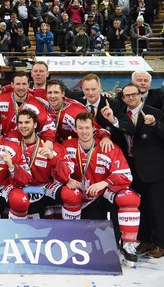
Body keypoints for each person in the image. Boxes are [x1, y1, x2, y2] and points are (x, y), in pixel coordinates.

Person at [62, 112, 140, 263]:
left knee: (129, 197)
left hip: (102, 194)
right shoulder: (67, 146)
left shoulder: (108, 146)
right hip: (80, 198)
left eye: (87, 128)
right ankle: (71, 239)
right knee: (69, 194)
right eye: (80, 128)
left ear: (93, 129)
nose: (84, 132)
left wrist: (105, 182)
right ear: (75, 130)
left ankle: (128, 244)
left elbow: (125, 175)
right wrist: (67, 178)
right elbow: (57, 169)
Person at [109, 83, 164, 258]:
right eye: (127, 95)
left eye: (134, 94)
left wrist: (155, 124)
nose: (131, 98)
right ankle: (145, 239)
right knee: (142, 207)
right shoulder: (122, 115)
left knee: (157, 208)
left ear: (141, 95)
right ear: (123, 98)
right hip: (133, 169)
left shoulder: (153, 112)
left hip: (154, 169)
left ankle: (161, 243)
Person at [0, 71, 56, 145]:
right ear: (12, 85)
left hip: (27, 147)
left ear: (28, 85)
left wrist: (49, 141)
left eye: (24, 84)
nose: (21, 87)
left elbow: (49, 125)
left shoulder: (37, 105)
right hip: (1, 145)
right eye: (18, 84)